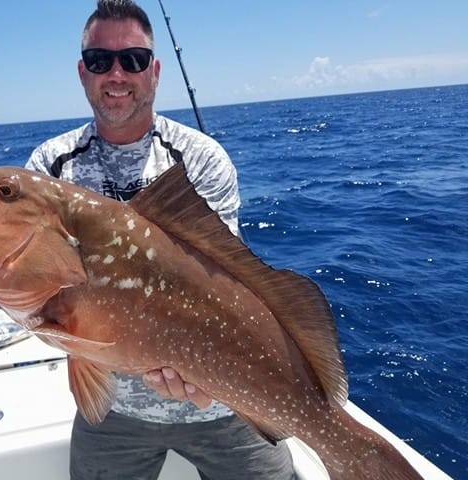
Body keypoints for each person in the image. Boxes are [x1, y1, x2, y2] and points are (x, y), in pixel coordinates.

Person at [26, 1, 295, 479]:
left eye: (131, 59)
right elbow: (34, 292)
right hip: (112, 414)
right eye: (98, 60)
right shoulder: (50, 167)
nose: (116, 73)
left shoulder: (200, 158)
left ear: (154, 71)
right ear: (82, 71)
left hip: (224, 406)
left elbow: (224, 286)